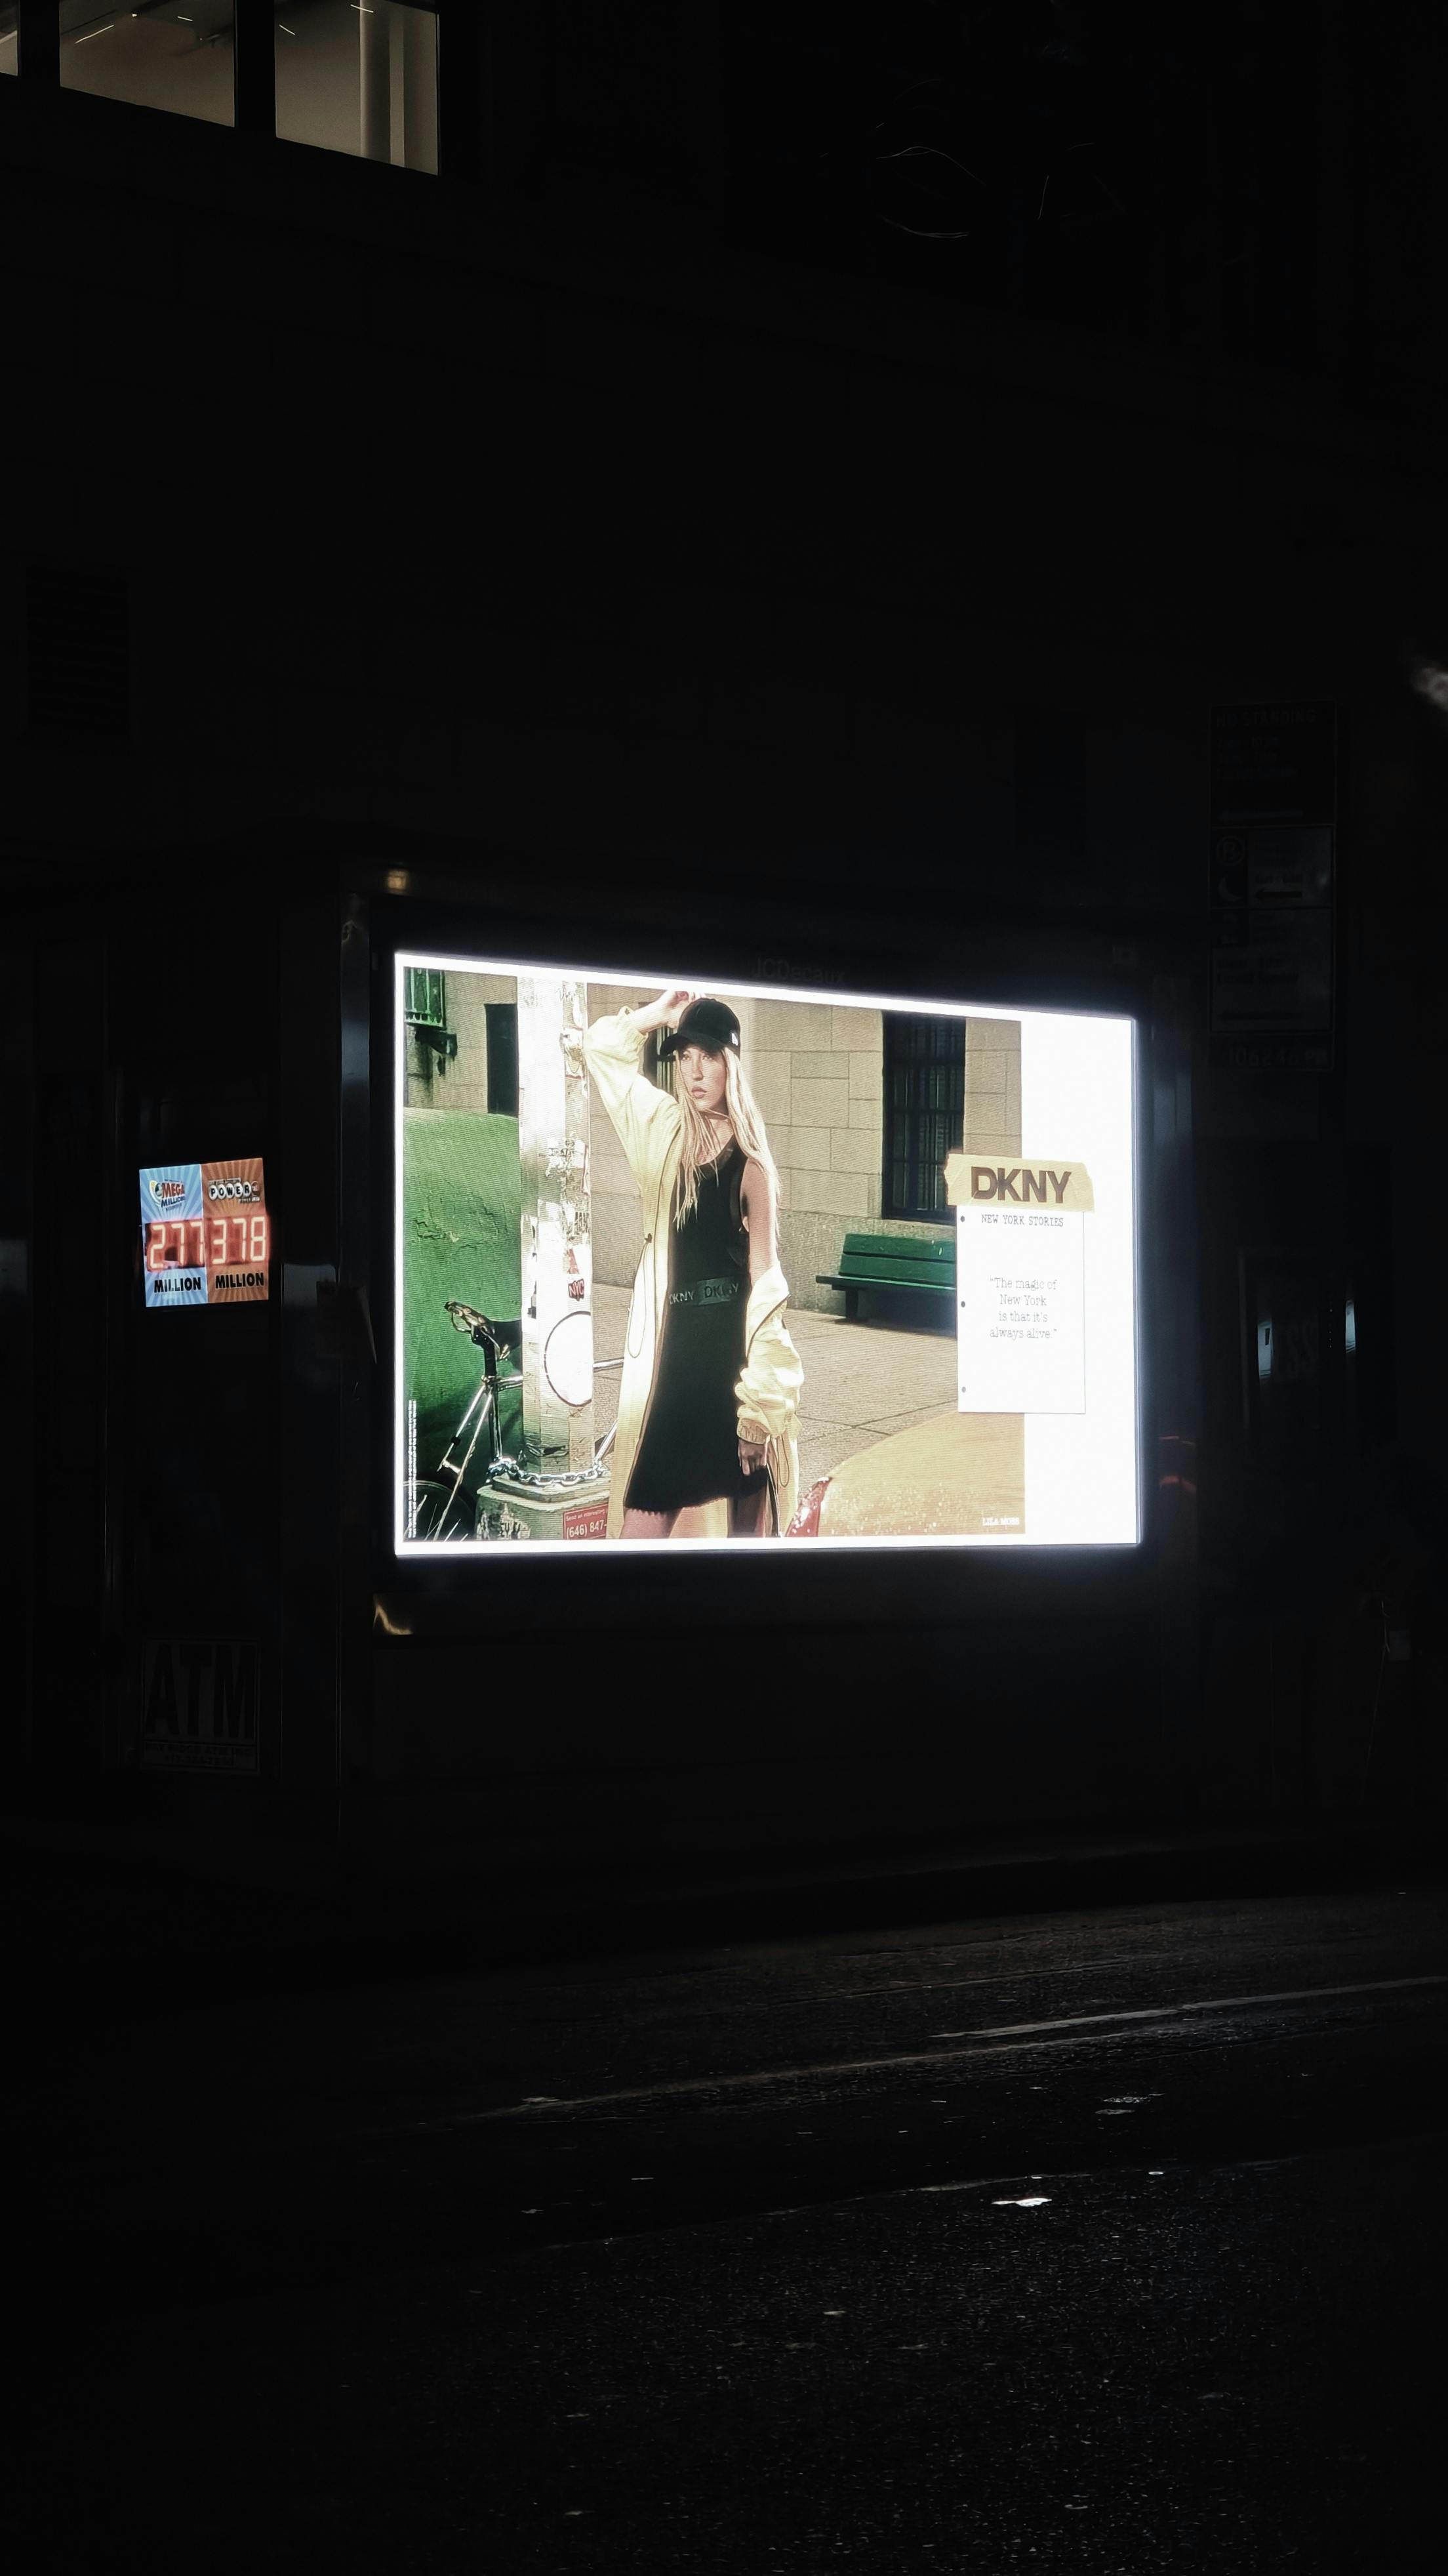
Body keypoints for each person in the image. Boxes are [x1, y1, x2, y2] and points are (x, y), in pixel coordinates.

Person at [583, 987, 803, 1539]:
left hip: (732, 1373)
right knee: (639, 1532)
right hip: (675, 1364)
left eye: (706, 1056)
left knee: (745, 1548)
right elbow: (600, 1050)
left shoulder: (751, 1166)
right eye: (683, 1056)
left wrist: (758, 1412)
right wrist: (656, 1016)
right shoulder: (662, 1133)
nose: (693, 1071)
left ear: (730, 1064)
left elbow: (767, 1293)